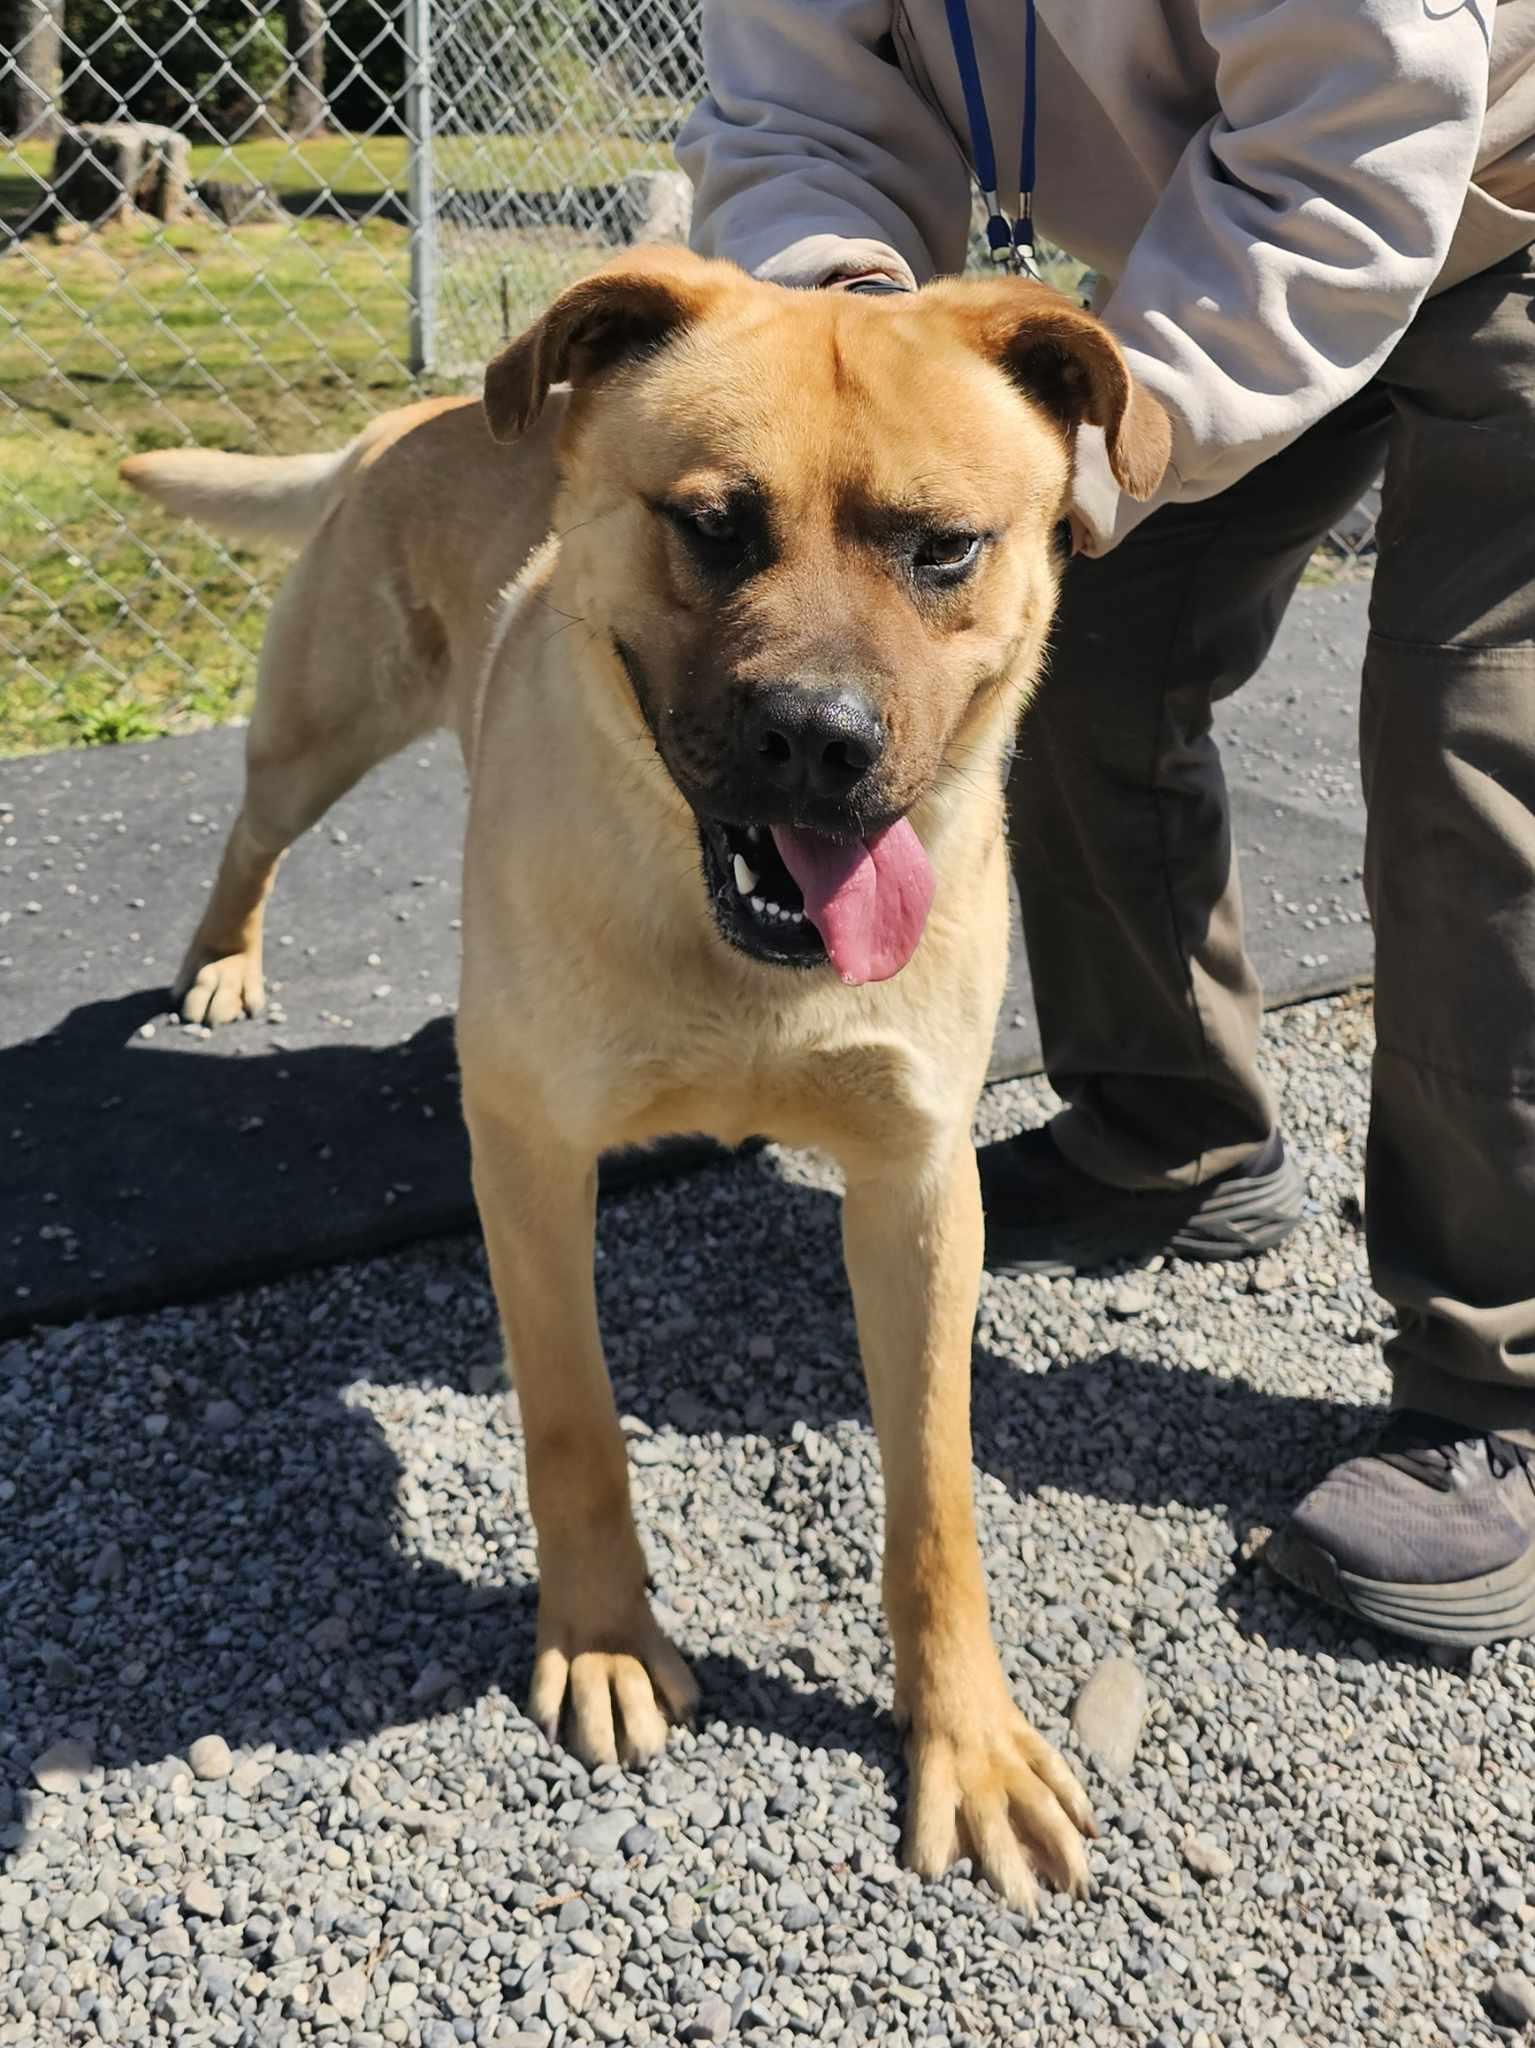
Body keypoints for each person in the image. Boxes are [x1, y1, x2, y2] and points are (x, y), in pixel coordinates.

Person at [677, 0, 1535, 1647]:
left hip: (1491, 187)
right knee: (1062, 652)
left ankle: (1502, 1375)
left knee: (1479, 747)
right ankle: (1170, 1139)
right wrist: (855, 323)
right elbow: (801, 114)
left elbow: (1355, 146)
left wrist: (1066, 471)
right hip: (1211, 217)